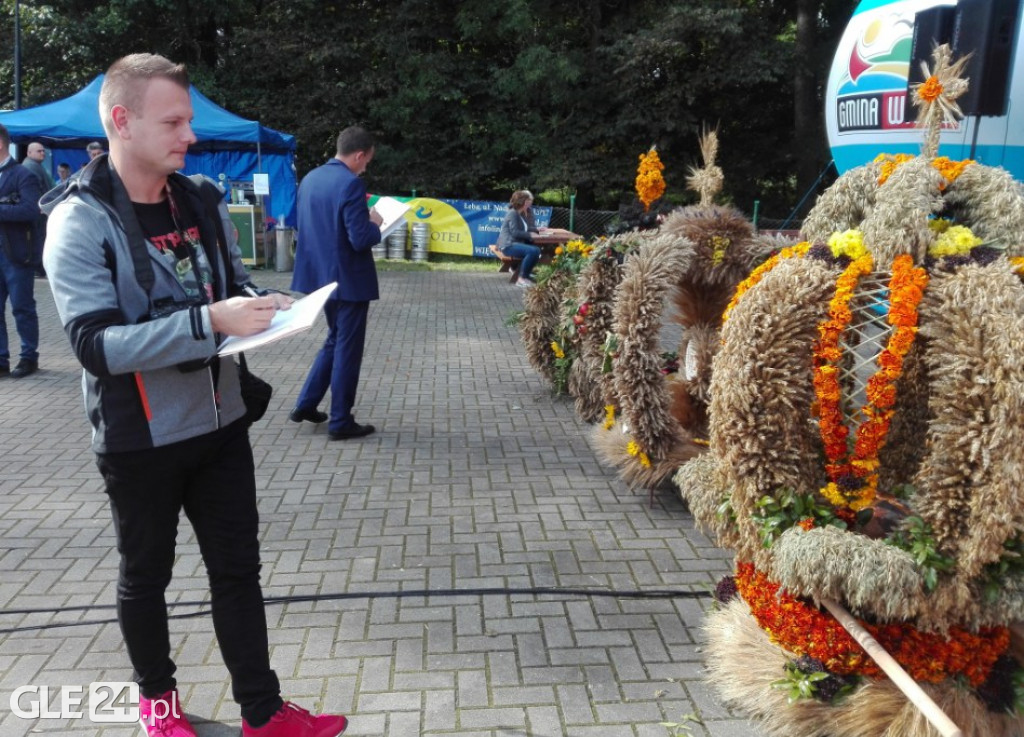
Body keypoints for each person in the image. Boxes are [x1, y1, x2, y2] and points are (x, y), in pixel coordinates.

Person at [41, 53, 348, 737]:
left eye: (190, 120)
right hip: (138, 438)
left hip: (221, 423)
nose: (190, 135)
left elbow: (231, 283)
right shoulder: (79, 221)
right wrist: (208, 322)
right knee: (144, 576)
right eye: (173, 121)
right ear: (121, 121)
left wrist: (264, 307)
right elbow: (95, 345)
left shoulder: (202, 198)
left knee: (238, 570)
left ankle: (263, 713)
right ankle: (159, 707)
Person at [290, 125, 382, 440]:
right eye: (367, 160)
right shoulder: (351, 185)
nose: (366, 166)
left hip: (318, 277)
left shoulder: (310, 179)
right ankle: (341, 421)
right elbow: (359, 239)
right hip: (348, 281)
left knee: (334, 340)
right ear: (358, 155)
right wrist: (376, 224)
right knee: (347, 348)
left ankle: (306, 404)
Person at [0, 125, 43, 378]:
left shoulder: (22, 175)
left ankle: (29, 357)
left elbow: (31, 210)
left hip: (16, 254)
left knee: (22, 307)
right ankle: (1, 358)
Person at [496, 189, 542, 288]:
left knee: (536, 250)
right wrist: (530, 235)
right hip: (508, 245)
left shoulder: (519, 214)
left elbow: (525, 228)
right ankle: (521, 279)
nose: (530, 203)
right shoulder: (513, 213)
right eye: (528, 200)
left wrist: (537, 230)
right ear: (524, 202)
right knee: (532, 251)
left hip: (514, 243)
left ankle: (525, 276)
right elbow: (515, 232)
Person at [21, 142, 53, 278]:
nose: (43, 153)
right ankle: (39, 267)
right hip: (38, 212)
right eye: (39, 151)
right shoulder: (30, 167)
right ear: (29, 153)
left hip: (39, 211)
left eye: (43, 151)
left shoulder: (35, 166)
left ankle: (40, 267)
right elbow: (37, 192)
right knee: (39, 239)